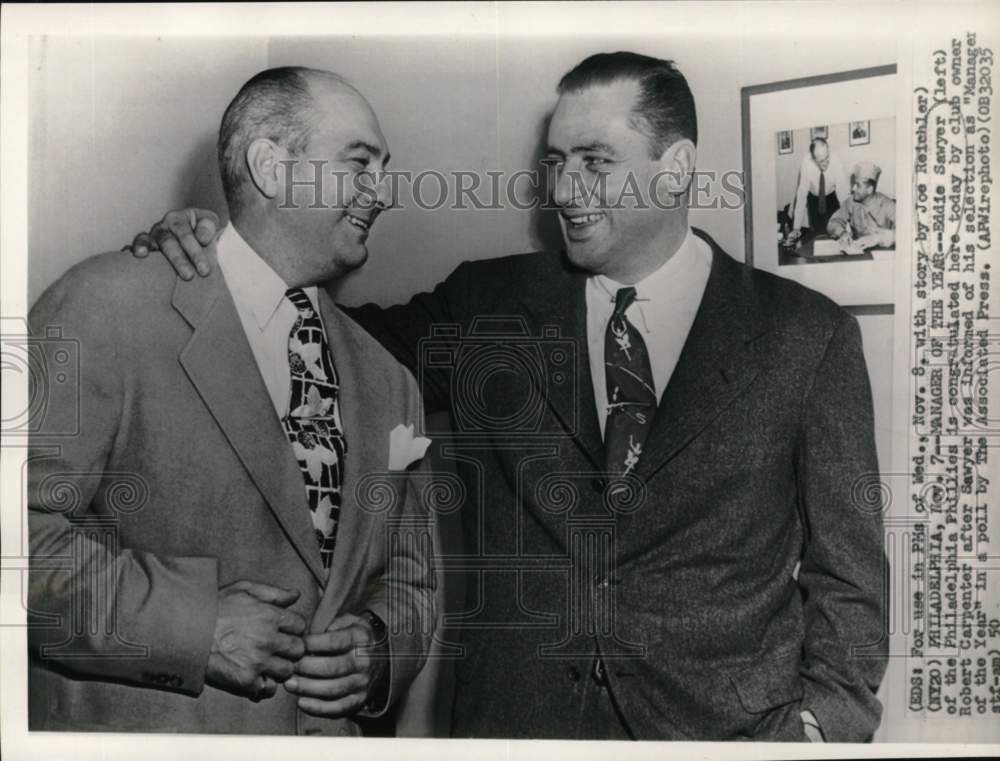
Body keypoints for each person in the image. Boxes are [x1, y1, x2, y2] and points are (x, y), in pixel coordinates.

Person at [129, 52, 888, 742]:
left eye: (595, 161)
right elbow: (313, 340)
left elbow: (850, 576)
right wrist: (219, 258)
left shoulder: (804, 337)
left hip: (726, 736)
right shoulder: (489, 305)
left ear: (677, 168)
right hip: (519, 730)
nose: (564, 190)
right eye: (557, 162)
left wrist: (820, 728)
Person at [27, 67, 435, 735]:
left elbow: (414, 580)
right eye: (359, 163)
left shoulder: (390, 380)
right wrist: (194, 626)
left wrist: (380, 646)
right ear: (271, 167)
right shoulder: (106, 306)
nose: (382, 192)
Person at [788, 137, 849, 241]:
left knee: (835, 233)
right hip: (814, 200)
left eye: (827, 157)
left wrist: (848, 227)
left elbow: (843, 195)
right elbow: (802, 195)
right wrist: (796, 228)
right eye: (821, 161)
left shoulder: (836, 161)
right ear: (813, 159)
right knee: (817, 236)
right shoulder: (806, 163)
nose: (826, 163)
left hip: (832, 198)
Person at [826, 161, 896, 250]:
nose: (853, 188)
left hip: (883, 253)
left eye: (858, 185)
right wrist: (842, 233)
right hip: (859, 252)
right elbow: (832, 223)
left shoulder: (887, 204)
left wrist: (877, 238)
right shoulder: (851, 202)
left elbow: (905, 232)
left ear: (870, 190)